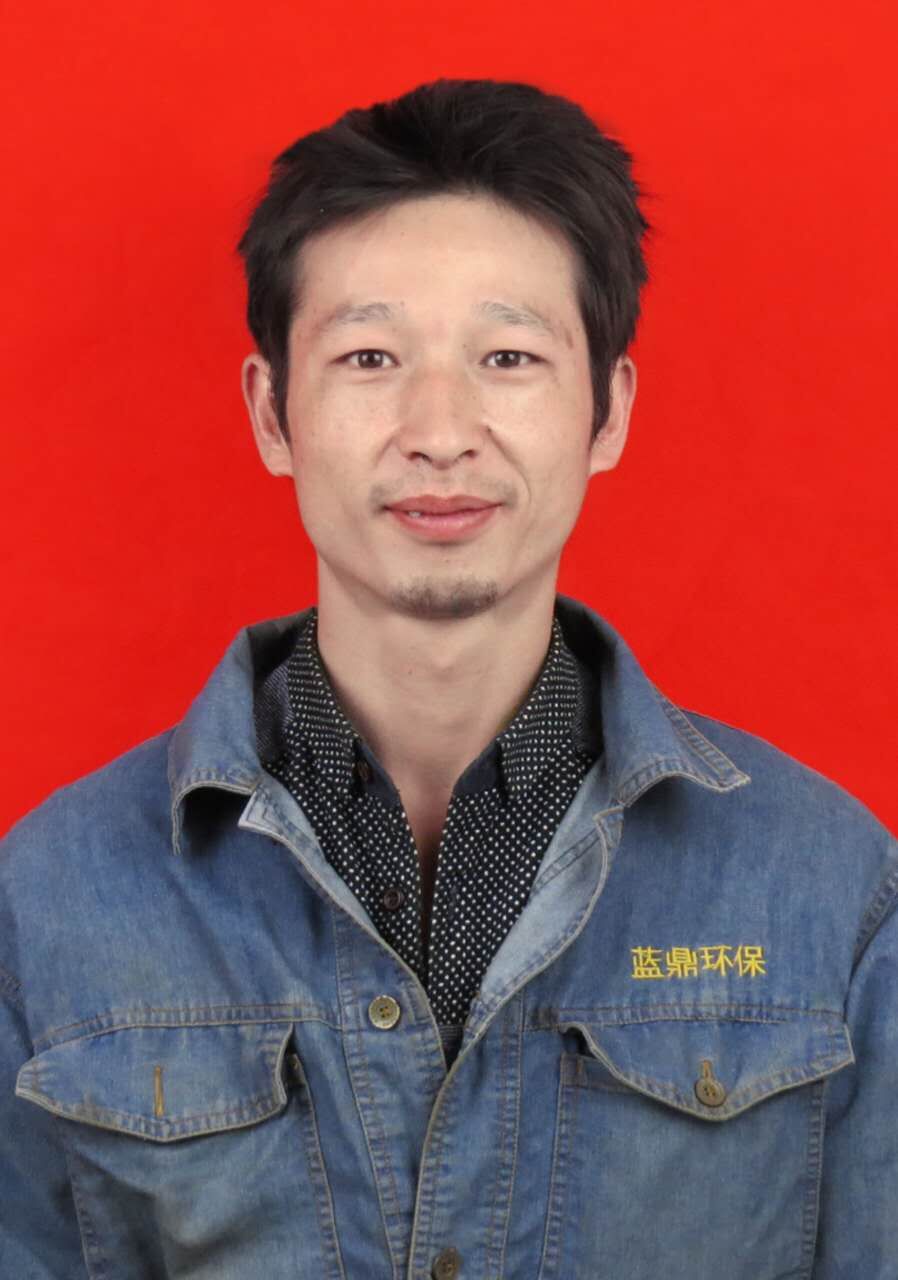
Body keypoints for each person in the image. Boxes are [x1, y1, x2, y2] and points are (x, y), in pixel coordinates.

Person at [1, 77, 895, 1280]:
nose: (438, 428)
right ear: (272, 411)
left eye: (507, 355)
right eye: (369, 355)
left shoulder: (830, 891)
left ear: (607, 410)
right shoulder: (47, 900)